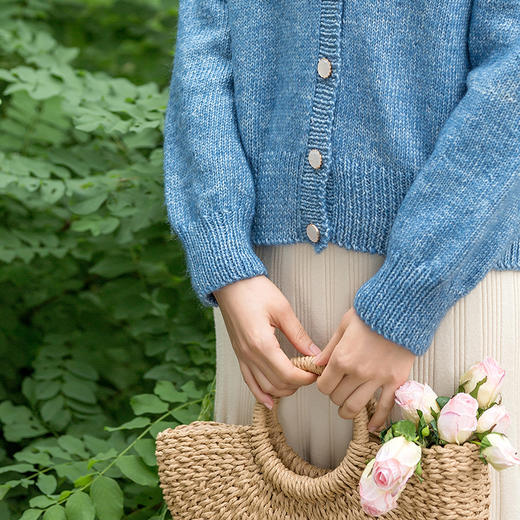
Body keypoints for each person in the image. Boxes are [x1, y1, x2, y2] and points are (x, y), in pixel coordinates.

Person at [162, 0, 520, 517]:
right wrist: (224, 259)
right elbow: (203, 49)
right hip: (260, 294)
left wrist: (408, 296)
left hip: (454, 273)